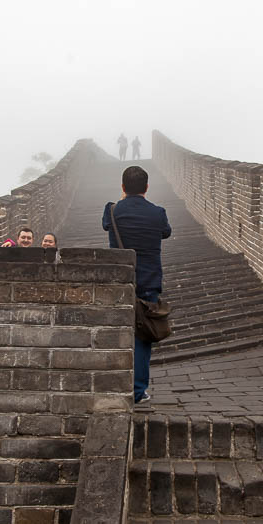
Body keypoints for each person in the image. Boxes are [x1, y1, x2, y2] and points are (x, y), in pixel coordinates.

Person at [102, 166, 171, 403]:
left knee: (116, 334)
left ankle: (111, 384)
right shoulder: (158, 213)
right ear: (147, 187)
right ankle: (137, 391)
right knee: (142, 338)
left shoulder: (112, 211)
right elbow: (166, 232)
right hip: (148, 284)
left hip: (120, 283)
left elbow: (106, 225)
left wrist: (123, 201)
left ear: (122, 187)